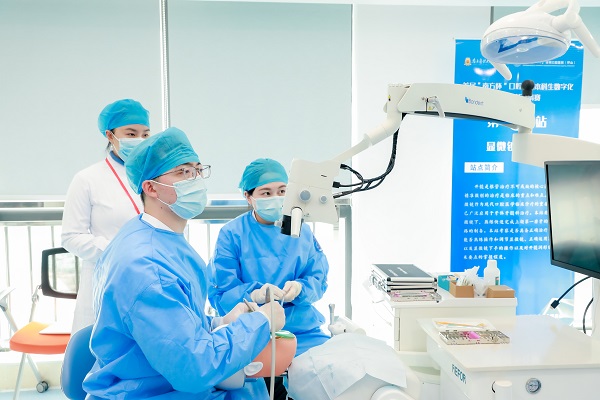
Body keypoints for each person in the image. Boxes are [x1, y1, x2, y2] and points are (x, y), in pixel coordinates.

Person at [83, 127, 285, 400]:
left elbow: (175, 323)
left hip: (161, 377)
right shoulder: (147, 267)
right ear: (150, 187)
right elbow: (195, 368)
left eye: (197, 170)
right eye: (182, 172)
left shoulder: (154, 235)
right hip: (148, 392)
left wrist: (220, 322)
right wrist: (261, 321)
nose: (195, 179)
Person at [208, 158, 330, 399]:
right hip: (252, 332)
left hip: (301, 331)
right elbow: (222, 292)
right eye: (266, 192)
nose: (276, 197)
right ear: (248, 196)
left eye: (282, 191)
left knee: (330, 375)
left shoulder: (299, 229)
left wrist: (301, 288)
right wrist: (254, 295)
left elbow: (318, 276)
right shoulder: (232, 234)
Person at [61, 99, 150, 333]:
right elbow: (71, 236)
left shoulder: (155, 177)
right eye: (131, 133)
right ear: (110, 135)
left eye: (145, 134)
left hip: (150, 276)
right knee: (100, 346)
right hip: (106, 277)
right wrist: (116, 252)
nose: (139, 140)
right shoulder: (87, 179)